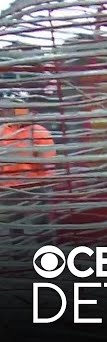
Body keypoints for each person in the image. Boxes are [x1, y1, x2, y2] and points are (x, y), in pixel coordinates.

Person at [0, 91, 56, 243]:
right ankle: (20, 259)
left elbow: (48, 162)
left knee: (40, 225)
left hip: (34, 186)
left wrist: (23, 157)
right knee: (14, 227)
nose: (6, 111)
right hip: (8, 187)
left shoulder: (38, 131)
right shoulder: (3, 130)